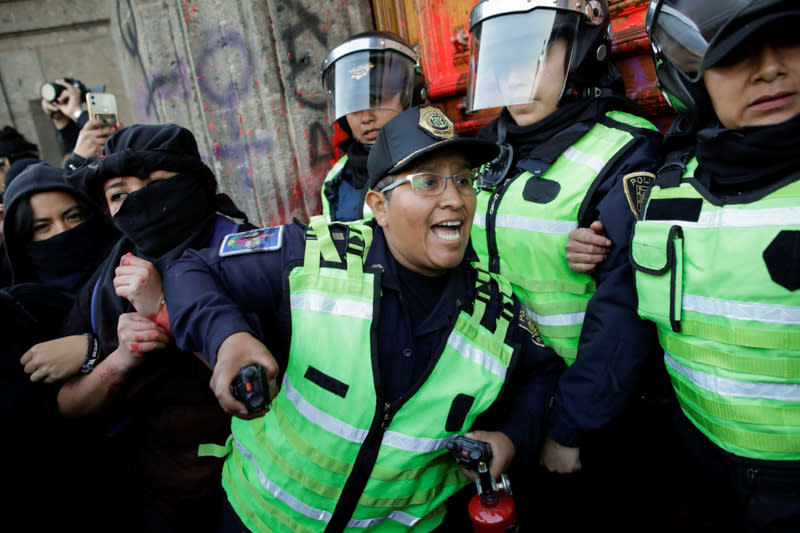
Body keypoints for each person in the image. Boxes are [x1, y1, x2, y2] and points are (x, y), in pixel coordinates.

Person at [163, 104, 566, 532]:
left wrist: (510, 439)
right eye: (428, 182)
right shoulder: (312, 256)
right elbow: (189, 269)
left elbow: (541, 378)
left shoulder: (497, 310)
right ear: (380, 206)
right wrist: (229, 339)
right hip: (257, 520)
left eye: (464, 180)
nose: (454, 199)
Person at [465, 0, 672, 529]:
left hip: (580, 418)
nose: (513, 76)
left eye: (532, 55)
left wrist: (570, 428)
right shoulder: (482, 149)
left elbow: (624, 307)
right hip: (495, 405)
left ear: (579, 53)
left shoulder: (624, 147)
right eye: (501, 59)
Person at [629, 1, 800, 530]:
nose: (770, 68)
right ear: (690, 82)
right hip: (704, 476)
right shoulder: (669, 184)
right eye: (735, 55)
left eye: (789, 40)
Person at [54, 123, 253, 533]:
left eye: (156, 182)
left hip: (252, 490)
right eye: (119, 194)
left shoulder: (250, 254)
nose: (139, 201)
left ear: (195, 184)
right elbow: (68, 404)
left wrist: (166, 309)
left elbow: (264, 387)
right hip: (156, 496)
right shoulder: (105, 284)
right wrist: (116, 358)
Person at [1, 163, 118, 532]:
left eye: (73, 218)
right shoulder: (17, 311)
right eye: (42, 228)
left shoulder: (129, 273)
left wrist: (94, 349)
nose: (63, 235)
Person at [319, 31, 424, 222]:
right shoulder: (338, 177)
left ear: (412, 96)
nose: (366, 117)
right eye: (353, 106)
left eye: (376, 100)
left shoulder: (435, 160)